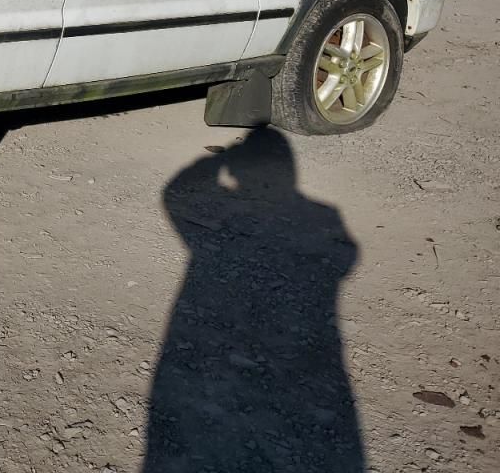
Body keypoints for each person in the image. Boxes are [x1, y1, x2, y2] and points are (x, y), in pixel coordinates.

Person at [143, 127, 364, 472]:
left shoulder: (320, 215)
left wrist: (221, 158)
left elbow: (173, 195)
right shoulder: (323, 215)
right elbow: (345, 257)